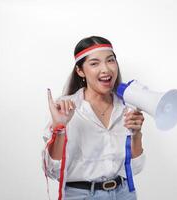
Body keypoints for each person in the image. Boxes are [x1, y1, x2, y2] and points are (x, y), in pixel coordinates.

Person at [42, 36, 146, 200]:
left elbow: (135, 168)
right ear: (80, 71)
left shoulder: (126, 106)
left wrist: (136, 134)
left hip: (124, 193)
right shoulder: (65, 108)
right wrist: (59, 129)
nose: (105, 69)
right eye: (94, 63)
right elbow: (53, 171)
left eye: (110, 60)